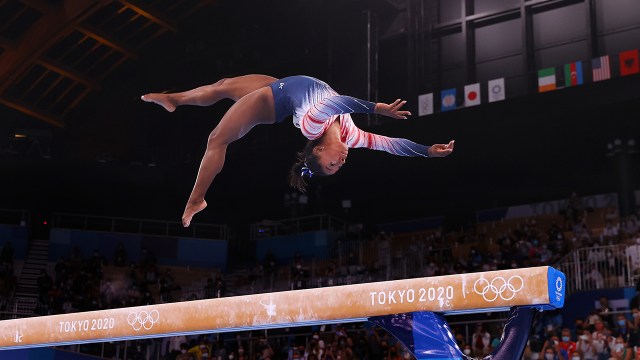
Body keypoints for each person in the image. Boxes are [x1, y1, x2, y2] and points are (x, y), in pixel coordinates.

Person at [142, 75, 455, 227]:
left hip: (271, 101)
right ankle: (175, 99)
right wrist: (428, 151)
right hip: (284, 85)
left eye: (331, 165)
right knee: (223, 85)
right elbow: (392, 145)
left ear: (318, 149)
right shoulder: (351, 134)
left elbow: (337, 102)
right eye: (338, 167)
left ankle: (196, 199)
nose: (341, 162)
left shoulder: (312, 124)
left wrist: (376, 109)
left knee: (216, 140)